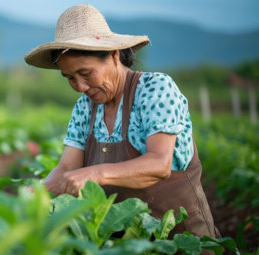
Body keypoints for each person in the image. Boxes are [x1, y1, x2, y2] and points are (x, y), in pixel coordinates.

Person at [24, 4, 218, 239]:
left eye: (85, 74)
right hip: (122, 242)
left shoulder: (155, 89)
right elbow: (67, 167)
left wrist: (96, 173)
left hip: (179, 239)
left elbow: (159, 164)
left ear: (114, 55)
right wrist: (37, 193)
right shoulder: (85, 107)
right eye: (70, 78)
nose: (80, 87)